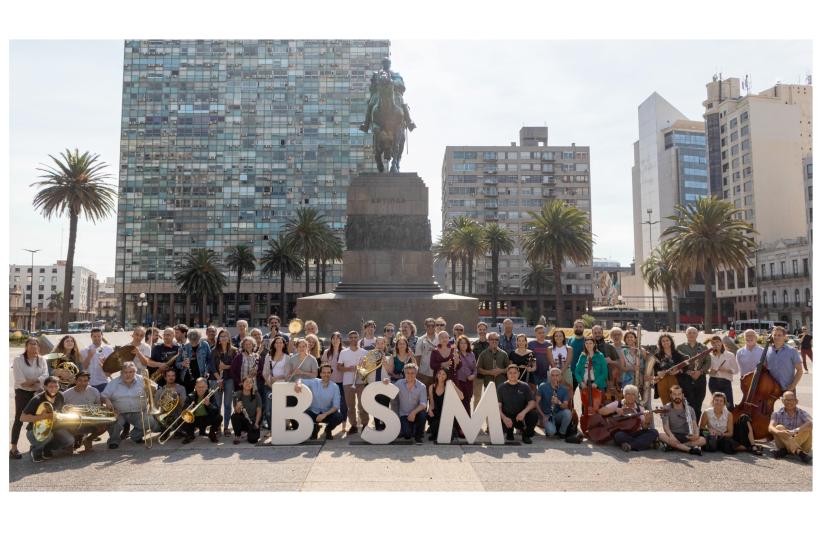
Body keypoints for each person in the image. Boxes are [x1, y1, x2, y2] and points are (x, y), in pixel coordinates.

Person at [101, 362, 157, 449]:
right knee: (113, 421)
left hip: (139, 412)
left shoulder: (142, 379)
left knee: (150, 421)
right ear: (121, 373)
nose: (128, 375)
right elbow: (104, 395)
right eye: (125, 372)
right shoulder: (114, 382)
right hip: (120, 412)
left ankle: (135, 436)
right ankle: (114, 441)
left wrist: (151, 388)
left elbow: (155, 388)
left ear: (135, 372)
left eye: (131, 372)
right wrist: (107, 401)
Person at [19, 376, 75, 462]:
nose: (54, 389)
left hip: (54, 427)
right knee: (49, 436)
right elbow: (22, 418)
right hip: (35, 430)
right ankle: (35, 451)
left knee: (69, 440)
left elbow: (61, 411)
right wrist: (41, 417)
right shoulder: (37, 399)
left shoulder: (60, 396)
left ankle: (46, 448)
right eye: (51, 387)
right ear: (45, 387)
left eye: (56, 386)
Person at [10, 338, 49, 459]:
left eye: (36, 344)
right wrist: (38, 381)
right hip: (23, 392)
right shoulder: (18, 360)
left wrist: (35, 382)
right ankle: (14, 448)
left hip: (38, 392)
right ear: (26, 346)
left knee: (38, 417)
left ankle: (36, 445)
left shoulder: (42, 359)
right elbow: (21, 382)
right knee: (19, 419)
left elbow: (46, 376)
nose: (33, 346)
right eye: (31, 344)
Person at [360, 56, 416, 133]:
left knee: (402, 103)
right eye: (384, 63)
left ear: (390, 64)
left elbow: (401, 84)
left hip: (394, 93)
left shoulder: (395, 74)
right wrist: (376, 85)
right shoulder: (376, 74)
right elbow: (372, 87)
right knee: (371, 104)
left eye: (387, 63)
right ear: (382, 64)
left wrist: (392, 82)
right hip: (378, 93)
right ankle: (366, 124)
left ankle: (409, 122)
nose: (386, 64)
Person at [598, 384, 658, 452]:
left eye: (633, 394)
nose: (630, 397)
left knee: (654, 432)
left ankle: (630, 445)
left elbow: (644, 427)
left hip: (635, 433)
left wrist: (647, 420)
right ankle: (646, 444)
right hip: (623, 433)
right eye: (628, 394)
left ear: (636, 396)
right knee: (618, 435)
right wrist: (615, 409)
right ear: (624, 395)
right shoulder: (618, 404)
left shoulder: (640, 408)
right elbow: (601, 411)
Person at [295, 364, 343, 440]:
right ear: (320, 374)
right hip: (313, 412)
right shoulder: (314, 382)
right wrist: (298, 384)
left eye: (328, 372)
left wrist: (325, 414)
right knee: (301, 413)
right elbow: (299, 379)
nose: (326, 374)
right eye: (324, 372)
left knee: (339, 417)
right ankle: (314, 428)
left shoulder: (335, 387)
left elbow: (336, 406)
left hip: (327, 413)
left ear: (331, 373)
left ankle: (328, 430)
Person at [61, 371, 105, 452]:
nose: (83, 383)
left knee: (104, 424)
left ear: (88, 382)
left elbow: (99, 407)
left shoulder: (94, 391)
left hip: (89, 420)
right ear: (75, 381)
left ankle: (88, 439)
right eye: (80, 380)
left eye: (85, 381)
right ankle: (72, 439)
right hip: (72, 423)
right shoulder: (66, 394)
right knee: (68, 451)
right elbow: (60, 410)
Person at [657, 385, 706, 455]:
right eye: (674, 394)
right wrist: (671, 436)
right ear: (671, 395)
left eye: (679, 394)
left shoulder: (690, 409)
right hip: (673, 435)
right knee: (660, 435)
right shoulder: (665, 408)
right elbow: (666, 427)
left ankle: (674, 446)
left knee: (703, 440)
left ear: (682, 395)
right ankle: (690, 450)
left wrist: (697, 435)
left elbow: (695, 425)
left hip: (687, 436)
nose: (677, 396)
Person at [385, 363, 427, 444]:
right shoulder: (399, 383)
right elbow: (390, 386)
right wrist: (386, 381)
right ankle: (412, 429)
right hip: (404, 414)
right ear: (404, 373)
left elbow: (423, 404)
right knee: (407, 436)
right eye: (408, 373)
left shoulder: (422, 386)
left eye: (412, 373)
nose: (410, 375)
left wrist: (413, 413)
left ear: (416, 373)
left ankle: (418, 435)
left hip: (416, 413)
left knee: (423, 414)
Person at [497, 364, 539, 443]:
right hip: (507, 417)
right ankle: (509, 431)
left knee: (533, 415)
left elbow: (532, 403)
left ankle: (526, 434)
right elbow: (498, 406)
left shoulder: (525, 386)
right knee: (509, 436)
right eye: (510, 373)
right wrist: (504, 418)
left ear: (519, 374)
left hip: (520, 417)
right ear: (507, 374)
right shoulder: (501, 387)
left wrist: (523, 412)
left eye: (515, 373)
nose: (512, 375)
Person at [768, 391, 812, 463]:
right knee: (778, 427)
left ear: (796, 401)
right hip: (784, 445)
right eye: (786, 400)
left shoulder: (802, 413)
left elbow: (811, 423)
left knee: (807, 427)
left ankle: (785, 451)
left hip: (803, 446)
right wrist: (778, 432)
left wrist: (794, 431)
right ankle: (798, 452)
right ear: (782, 401)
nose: (789, 402)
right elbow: (770, 427)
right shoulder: (776, 414)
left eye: (791, 400)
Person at [676, 326, 710, 415]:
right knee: (687, 403)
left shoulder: (703, 347)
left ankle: (696, 427)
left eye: (694, 333)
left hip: (700, 378)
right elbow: (676, 362)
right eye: (689, 333)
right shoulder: (680, 347)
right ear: (686, 334)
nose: (691, 334)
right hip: (685, 378)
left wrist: (700, 371)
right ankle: (688, 426)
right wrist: (687, 372)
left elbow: (708, 362)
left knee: (698, 404)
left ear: (697, 334)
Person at [339, 330, 368, 433]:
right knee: (350, 406)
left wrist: (361, 368)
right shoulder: (343, 352)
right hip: (347, 382)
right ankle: (353, 425)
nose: (353, 339)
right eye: (351, 338)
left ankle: (365, 424)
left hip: (361, 382)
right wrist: (349, 369)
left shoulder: (365, 352)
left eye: (355, 337)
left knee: (362, 405)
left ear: (358, 338)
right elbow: (339, 367)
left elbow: (368, 368)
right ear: (348, 339)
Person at [211, 329, 238, 436]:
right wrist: (219, 379)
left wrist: (226, 367)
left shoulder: (234, 351)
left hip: (230, 380)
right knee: (217, 405)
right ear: (218, 339)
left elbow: (236, 366)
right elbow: (212, 367)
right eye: (221, 336)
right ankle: (218, 426)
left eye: (226, 336)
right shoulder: (214, 350)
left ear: (229, 338)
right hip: (217, 380)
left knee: (227, 405)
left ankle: (226, 427)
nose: (223, 338)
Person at [536, 368, 573, 440]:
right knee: (551, 432)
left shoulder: (564, 389)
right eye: (552, 375)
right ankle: (551, 428)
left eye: (557, 375)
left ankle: (562, 433)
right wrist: (543, 416)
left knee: (568, 413)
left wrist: (558, 402)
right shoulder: (543, 387)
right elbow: (537, 403)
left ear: (560, 377)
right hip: (547, 415)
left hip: (558, 414)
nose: (555, 378)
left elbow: (565, 406)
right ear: (550, 377)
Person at [180, 378, 220, 444]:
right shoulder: (190, 396)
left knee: (219, 417)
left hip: (206, 418)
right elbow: (184, 410)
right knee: (184, 418)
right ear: (195, 387)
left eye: (203, 387)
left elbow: (216, 410)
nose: (201, 389)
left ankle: (212, 434)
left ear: (206, 387)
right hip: (194, 419)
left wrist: (209, 404)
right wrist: (188, 409)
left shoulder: (210, 395)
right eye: (199, 387)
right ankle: (190, 435)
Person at [261, 335, 289, 429]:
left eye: (281, 342)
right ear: (273, 344)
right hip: (269, 386)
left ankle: (282, 427)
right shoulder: (268, 356)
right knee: (269, 410)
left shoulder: (287, 357)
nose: (279, 344)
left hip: (283, 386)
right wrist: (271, 384)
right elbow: (265, 373)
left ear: (284, 345)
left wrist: (277, 377)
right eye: (277, 342)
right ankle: (271, 428)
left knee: (282, 408)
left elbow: (288, 374)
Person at [427, 368, 462, 441]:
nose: (441, 375)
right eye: (439, 373)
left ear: (447, 376)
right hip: (436, 414)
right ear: (437, 375)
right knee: (435, 429)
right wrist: (429, 409)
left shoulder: (449, 387)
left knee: (448, 437)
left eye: (444, 374)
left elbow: (461, 397)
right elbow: (432, 403)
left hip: (447, 415)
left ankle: (452, 429)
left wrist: (453, 385)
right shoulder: (431, 387)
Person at [766, 326, 804, 393]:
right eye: (774, 335)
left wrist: (793, 386)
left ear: (784, 337)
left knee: (790, 404)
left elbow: (800, 370)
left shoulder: (792, 351)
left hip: (787, 388)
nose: (776, 337)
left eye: (779, 335)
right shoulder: (767, 351)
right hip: (771, 389)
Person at [322, 332, 347, 428]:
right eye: (333, 338)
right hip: (330, 382)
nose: (335, 340)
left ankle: (344, 423)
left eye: (337, 338)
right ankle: (330, 423)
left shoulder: (345, 352)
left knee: (343, 404)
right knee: (330, 404)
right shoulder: (327, 352)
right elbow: (323, 366)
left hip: (342, 382)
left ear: (340, 340)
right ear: (331, 340)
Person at [707, 335, 738, 410]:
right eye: (713, 342)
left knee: (729, 405)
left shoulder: (730, 355)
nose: (716, 344)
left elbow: (736, 370)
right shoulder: (709, 356)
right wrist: (710, 371)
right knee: (716, 405)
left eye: (717, 341)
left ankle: (730, 421)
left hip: (726, 382)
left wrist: (726, 370)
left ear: (721, 342)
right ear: (711, 344)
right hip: (713, 381)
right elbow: (707, 370)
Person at [651, 333, 686, 400]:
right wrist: (658, 372)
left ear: (671, 342)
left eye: (667, 340)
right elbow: (654, 368)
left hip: (676, 380)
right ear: (660, 343)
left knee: (676, 401)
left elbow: (685, 367)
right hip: (662, 381)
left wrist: (678, 371)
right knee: (665, 403)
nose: (665, 342)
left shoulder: (678, 354)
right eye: (663, 341)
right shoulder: (657, 355)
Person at [177, 329, 212, 393]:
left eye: (196, 341)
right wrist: (182, 364)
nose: (194, 344)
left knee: (202, 397)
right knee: (188, 398)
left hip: (201, 376)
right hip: (187, 377)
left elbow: (210, 360)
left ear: (199, 339)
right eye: (192, 342)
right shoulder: (184, 347)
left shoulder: (205, 345)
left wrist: (207, 371)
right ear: (189, 339)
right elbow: (177, 363)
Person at [591, 325, 622, 399]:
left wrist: (611, 361)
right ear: (592, 334)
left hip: (608, 381)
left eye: (599, 332)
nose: (597, 334)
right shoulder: (588, 347)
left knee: (608, 401)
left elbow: (619, 363)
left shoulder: (609, 347)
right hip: (592, 379)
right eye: (595, 333)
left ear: (602, 333)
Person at [231, 376, 262, 444]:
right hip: (242, 419)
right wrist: (238, 407)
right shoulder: (237, 394)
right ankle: (238, 435)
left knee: (253, 440)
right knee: (234, 416)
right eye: (246, 382)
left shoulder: (256, 394)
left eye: (250, 382)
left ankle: (246, 433)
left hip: (252, 420)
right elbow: (237, 412)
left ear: (253, 385)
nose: (248, 384)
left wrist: (256, 423)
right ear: (242, 383)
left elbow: (259, 410)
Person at [83, 327, 114, 393]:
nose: (97, 338)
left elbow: (112, 369)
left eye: (99, 336)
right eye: (94, 336)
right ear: (91, 337)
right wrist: (89, 356)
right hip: (89, 383)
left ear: (102, 336)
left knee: (104, 401)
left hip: (104, 382)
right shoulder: (85, 350)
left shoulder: (109, 349)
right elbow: (84, 367)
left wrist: (106, 364)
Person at [454, 335, 477, 414]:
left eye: (465, 343)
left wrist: (474, 375)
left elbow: (475, 368)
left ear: (468, 345)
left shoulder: (471, 354)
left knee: (468, 401)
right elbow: (456, 368)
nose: (463, 345)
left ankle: (467, 422)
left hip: (469, 382)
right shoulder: (455, 354)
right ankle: (460, 425)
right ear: (458, 345)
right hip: (459, 382)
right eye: (461, 343)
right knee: (460, 402)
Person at [471, 321, 490, 411]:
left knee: (488, 399)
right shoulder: (473, 345)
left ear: (486, 330)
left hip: (489, 376)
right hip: (477, 376)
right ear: (477, 330)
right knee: (477, 398)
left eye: (484, 329)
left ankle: (488, 423)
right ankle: (475, 422)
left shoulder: (491, 344)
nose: (482, 331)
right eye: (480, 329)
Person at [414, 317, 438, 386]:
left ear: (435, 326)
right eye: (428, 326)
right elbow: (418, 356)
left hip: (437, 373)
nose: (430, 327)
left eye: (432, 326)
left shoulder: (440, 338)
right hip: (424, 373)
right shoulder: (420, 339)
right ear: (425, 326)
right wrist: (417, 372)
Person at [550, 329, 574, 396]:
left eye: (560, 336)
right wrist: (557, 375)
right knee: (553, 391)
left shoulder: (569, 348)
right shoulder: (549, 348)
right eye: (556, 336)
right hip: (553, 372)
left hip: (566, 370)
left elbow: (567, 362)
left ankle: (569, 404)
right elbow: (552, 363)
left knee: (569, 389)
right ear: (553, 338)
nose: (558, 337)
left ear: (563, 337)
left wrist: (560, 374)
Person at [528, 325, 553, 389]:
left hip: (545, 373)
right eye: (539, 333)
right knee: (534, 393)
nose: (542, 334)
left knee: (544, 392)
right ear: (535, 334)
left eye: (543, 332)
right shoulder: (530, 344)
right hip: (533, 373)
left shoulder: (549, 345)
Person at [568, 320, 587, 395]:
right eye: (576, 327)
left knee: (583, 393)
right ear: (573, 328)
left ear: (583, 328)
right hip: (571, 371)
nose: (578, 328)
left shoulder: (587, 340)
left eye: (580, 327)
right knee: (571, 393)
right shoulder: (570, 340)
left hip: (583, 372)